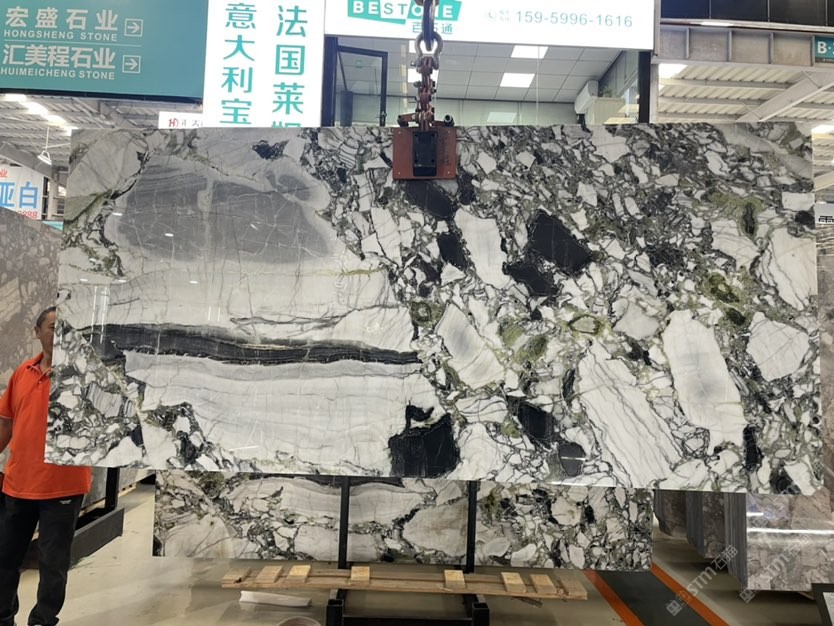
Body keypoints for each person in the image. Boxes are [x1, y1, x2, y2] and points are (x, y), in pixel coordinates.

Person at [0, 307, 91, 626]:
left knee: (53, 564)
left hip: (62, 486)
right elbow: (6, 422)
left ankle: (43, 619)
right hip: (18, 484)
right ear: (37, 332)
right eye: (52, 327)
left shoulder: (83, 375)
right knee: (5, 558)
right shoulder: (22, 373)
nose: (59, 332)